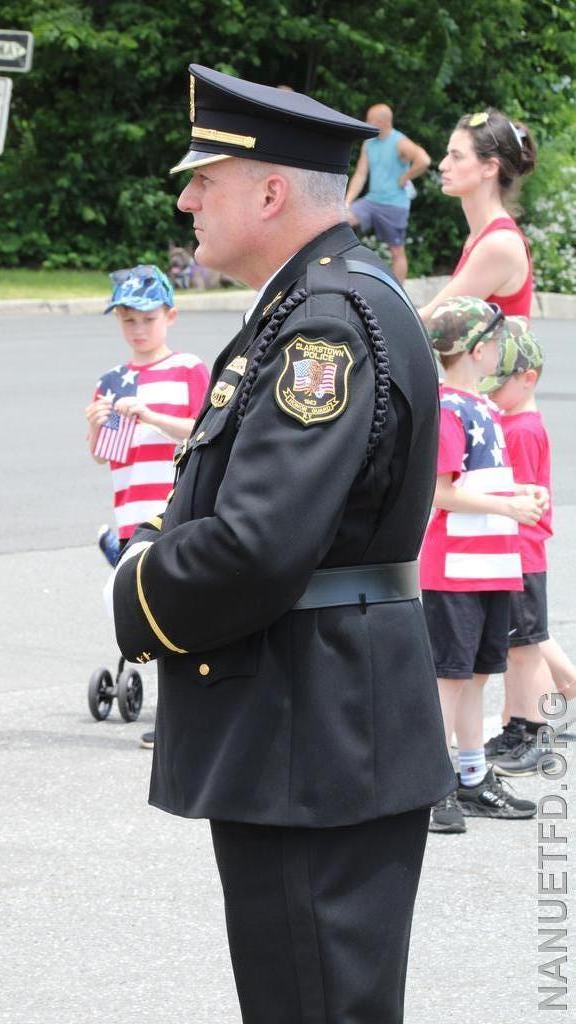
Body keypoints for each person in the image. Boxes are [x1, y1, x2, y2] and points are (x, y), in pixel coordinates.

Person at [111, 63, 455, 1023]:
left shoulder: (322, 324)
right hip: (321, 725)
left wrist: (136, 586)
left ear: (269, 189)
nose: (185, 200)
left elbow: (258, 545)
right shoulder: (326, 297)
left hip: (312, 733)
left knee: (312, 1001)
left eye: (203, 180)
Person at [420, 297, 549, 835]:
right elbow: (443, 494)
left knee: (475, 677)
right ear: (477, 351)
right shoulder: (449, 409)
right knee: (449, 681)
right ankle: (430, 788)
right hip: (455, 572)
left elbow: (478, 484)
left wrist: (520, 491)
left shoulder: (487, 410)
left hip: (491, 568)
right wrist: (510, 507)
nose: (500, 349)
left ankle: (470, 778)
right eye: (495, 341)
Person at [85, 264, 209, 749]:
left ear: (169, 317)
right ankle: (170, 702)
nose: (138, 330)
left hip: (174, 505)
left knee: (174, 607)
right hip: (130, 508)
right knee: (143, 606)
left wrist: (152, 415)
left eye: (147, 319)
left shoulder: (188, 369)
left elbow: (204, 430)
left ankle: (178, 712)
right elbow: (103, 454)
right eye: (127, 321)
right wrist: (97, 424)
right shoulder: (112, 381)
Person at [479, 324, 575, 773]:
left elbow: (517, 496)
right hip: (514, 551)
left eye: (499, 385)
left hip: (521, 552)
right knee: (518, 646)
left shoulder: (520, 430)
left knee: (527, 647)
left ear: (528, 378)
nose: (492, 394)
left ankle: (537, 729)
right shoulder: (515, 423)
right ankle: (519, 726)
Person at [418, 108, 537, 321]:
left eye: (456, 156)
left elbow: (431, 320)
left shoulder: (498, 244)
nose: (443, 165)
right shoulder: (482, 235)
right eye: (447, 154)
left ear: (490, 168)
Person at [344, 103, 431, 282]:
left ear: (382, 122)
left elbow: (424, 160)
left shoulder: (399, 142)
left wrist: (406, 176)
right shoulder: (369, 143)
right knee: (341, 220)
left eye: (370, 120)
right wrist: (347, 202)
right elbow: (360, 174)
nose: (366, 122)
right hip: (372, 201)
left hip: (394, 204)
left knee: (396, 251)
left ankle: (400, 295)